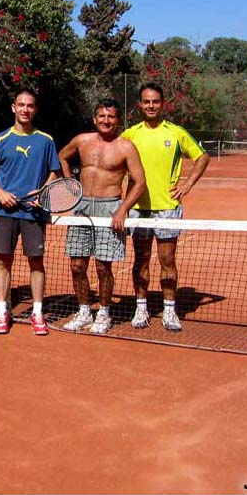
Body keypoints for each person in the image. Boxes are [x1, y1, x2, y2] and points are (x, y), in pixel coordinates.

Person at [122, 82, 210, 332]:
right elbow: (114, 160)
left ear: (163, 104)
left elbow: (203, 157)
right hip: (138, 208)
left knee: (167, 260)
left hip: (168, 207)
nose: (151, 105)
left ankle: (169, 310)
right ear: (140, 104)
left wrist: (187, 185)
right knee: (140, 260)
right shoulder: (130, 134)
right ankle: (141, 308)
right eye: (146, 101)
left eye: (155, 101)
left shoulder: (176, 132)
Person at [57, 98, 147, 335]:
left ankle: (104, 313)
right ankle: (84, 311)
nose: (106, 121)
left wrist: (122, 209)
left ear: (118, 120)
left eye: (111, 117)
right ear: (94, 118)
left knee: (103, 267)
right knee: (77, 265)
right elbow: (62, 156)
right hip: (82, 208)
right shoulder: (81, 140)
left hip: (110, 209)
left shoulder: (126, 147)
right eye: (102, 116)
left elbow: (140, 182)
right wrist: (70, 186)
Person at [0, 88, 61, 336]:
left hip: (34, 213)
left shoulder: (46, 140)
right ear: (13, 107)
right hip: (6, 212)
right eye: (21, 105)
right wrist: (1, 193)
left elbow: (54, 172)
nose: (25, 109)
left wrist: (43, 192)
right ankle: (2, 311)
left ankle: (37, 313)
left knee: (36, 262)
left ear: (35, 109)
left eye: (30, 105)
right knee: (3, 260)